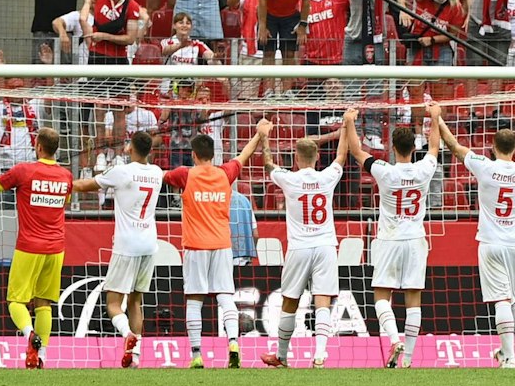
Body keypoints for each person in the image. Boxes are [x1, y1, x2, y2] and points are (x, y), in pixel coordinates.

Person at [430, 104, 515, 368]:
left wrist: (438, 118)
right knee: (510, 299)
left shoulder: (485, 167)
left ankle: (510, 357)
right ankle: (505, 352)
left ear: (492, 147)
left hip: (491, 243)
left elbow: (454, 146)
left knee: (502, 300)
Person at [163, 120, 272, 369]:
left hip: (195, 246)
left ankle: (196, 355)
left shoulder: (184, 174)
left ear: (193, 155)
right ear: (213, 155)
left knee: (194, 299)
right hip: (222, 245)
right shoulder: (225, 173)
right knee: (225, 296)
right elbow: (244, 155)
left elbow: (160, 176)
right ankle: (233, 343)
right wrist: (259, 134)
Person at [261, 112, 351, 368]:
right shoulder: (327, 177)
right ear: (318, 157)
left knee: (290, 301)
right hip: (325, 246)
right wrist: (346, 126)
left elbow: (268, 165)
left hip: (299, 247)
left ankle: (281, 356)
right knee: (322, 300)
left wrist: (264, 137)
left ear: (296, 158)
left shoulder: (289, 179)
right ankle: (320, 354)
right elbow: (341, 156)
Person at [351, 106, 438, 369]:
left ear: (392, 147)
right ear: (414, 147)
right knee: (413, 298)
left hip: (389, 239)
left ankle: (393, 339)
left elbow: (356, 151)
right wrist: (435, 117)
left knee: (381, 295)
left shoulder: (384, 171)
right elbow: (435, 147)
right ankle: (408, 358)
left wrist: (349, 122)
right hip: (415, 239)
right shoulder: (424, 169)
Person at [71, 128, 163, 368]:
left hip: (127, 244)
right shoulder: (157, 172)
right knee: (135, 302)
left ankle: (127, 335)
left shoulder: (122, 171)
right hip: (149, 244)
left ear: (130, 147)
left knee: (113, 304)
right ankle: (136, 356)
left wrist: (62, 184)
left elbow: (85, 185)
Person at [0, 126, 73, 370]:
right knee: (44, 303)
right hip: (56, 248)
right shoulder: (66, 176)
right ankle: (41, 354)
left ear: (38, 146)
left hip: (29, 246)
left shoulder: (23, 170)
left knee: (16, 301)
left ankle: (30, 335)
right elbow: (65, 201)